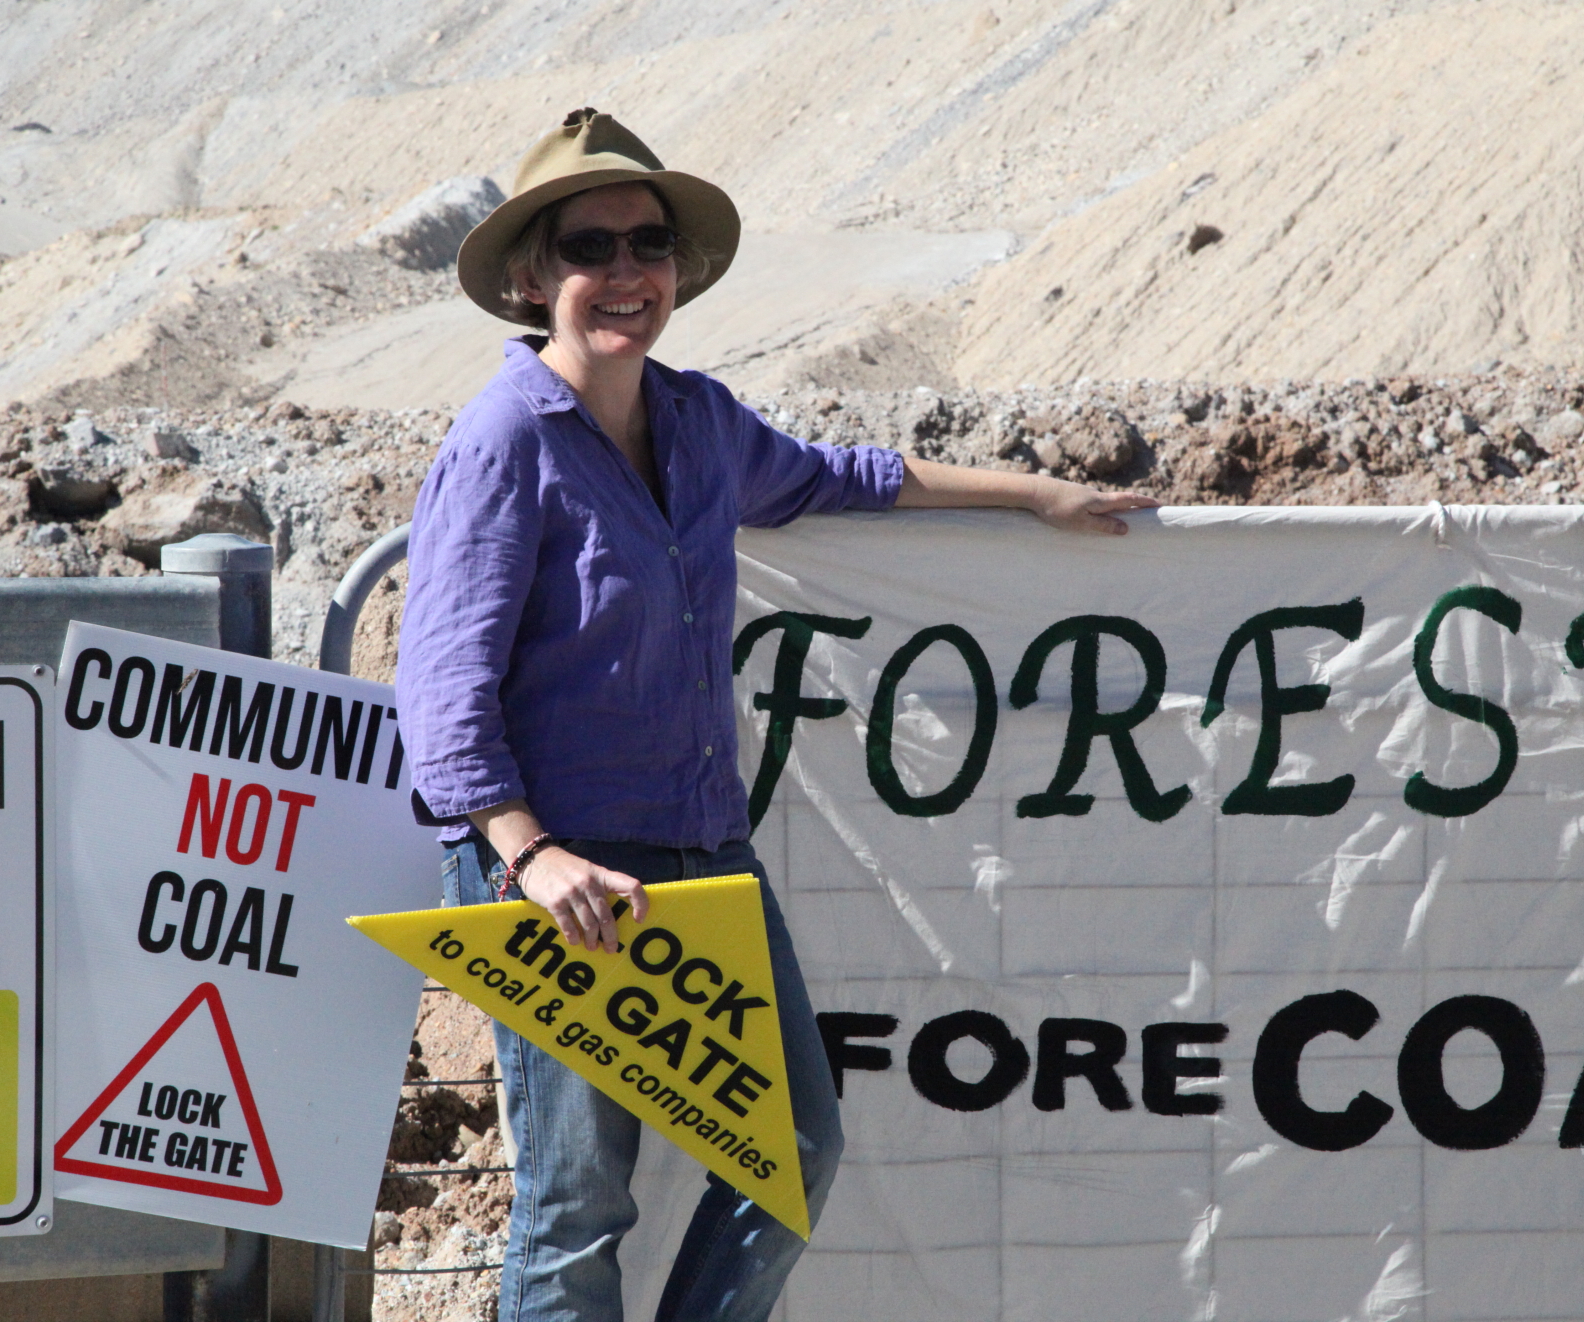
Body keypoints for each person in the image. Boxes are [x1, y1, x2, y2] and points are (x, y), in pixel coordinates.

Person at [395, 108, 1160, 1322]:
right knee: (574, 1203)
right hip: (569, 882)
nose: (627, 271)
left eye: (649, 242)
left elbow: (839, 475)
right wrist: (529, 856)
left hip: (706, 853)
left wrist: (1030, 495)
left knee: (792, 1152)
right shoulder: (502, 443)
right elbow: (441, 686)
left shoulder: (697, 423)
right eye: (591, 245)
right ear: (536, 279)